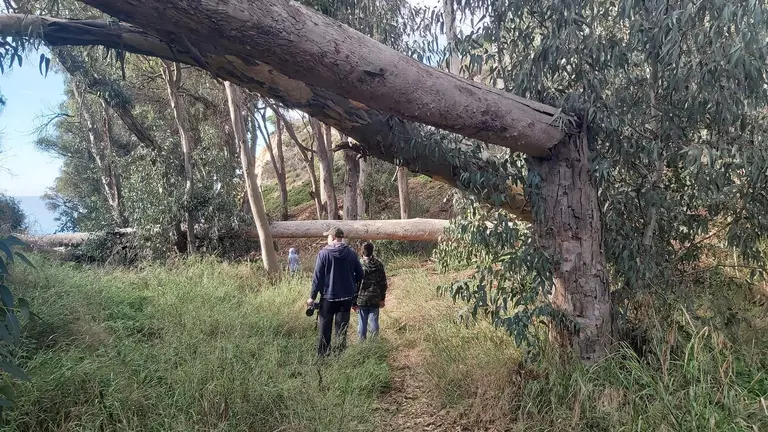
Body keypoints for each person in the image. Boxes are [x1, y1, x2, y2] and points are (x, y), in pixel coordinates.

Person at [307, 227, 364, 357]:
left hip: (328, 298)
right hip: (345, 299)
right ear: (341, 238)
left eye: (327, 236)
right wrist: (350, 282)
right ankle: (339, 358)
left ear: (332, 238)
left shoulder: (323, 253)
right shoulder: (351, 253)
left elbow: (317, 277)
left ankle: (323, 357)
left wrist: (312, 297)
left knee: (324, 330)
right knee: (341, 331)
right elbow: (360, 274)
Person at [353, 242, 388, 342]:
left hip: (361, 298)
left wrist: (353, 301)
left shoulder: (358, 265)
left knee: (362, 324)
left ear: (362, 251)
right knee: (374, 322)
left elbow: (355, 284)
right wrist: (382, 298)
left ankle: (361, 344)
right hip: (375, 298)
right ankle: (374, 343)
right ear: (372, 251)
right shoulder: (378, 264)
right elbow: (383, 283)